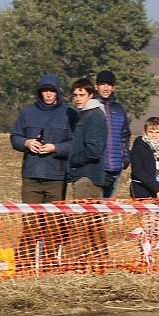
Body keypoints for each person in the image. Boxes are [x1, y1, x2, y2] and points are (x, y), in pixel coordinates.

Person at [9, 74, 78, 269]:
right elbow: (14, 137)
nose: (48, 94)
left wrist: (55, 148)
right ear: (40, 92)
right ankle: (26, 265)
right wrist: (26, 142)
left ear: (57, 92)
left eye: (52, 91)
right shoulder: (27, 113)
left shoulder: (69, 114)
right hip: (31, 176)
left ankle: (49, 264)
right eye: (45, 91)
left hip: (56, 177)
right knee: (30, 223)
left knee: (53, 224)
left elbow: (75, 143)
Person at [66, 78, 110, 271]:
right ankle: (96, 264)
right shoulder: (85, 114)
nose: (77, 98)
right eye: (75, 95)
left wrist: (75, 160)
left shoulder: (94, 116)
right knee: (92, 223)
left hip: (87, 177)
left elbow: (95, 149)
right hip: (85, 175)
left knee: (87, 224)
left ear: (91, 95)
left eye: (81, 94)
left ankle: (92, 265)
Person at [94, 70, 131, 197]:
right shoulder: (91, 107)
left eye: (109, 85)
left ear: (114, 87)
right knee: (93, 208)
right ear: (96, 86)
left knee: (107, 208)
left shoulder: (119, 109)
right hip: (96, 167)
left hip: (115, 167)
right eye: (102, 84)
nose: (106, 88)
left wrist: (125, 157)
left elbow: (125, 135)